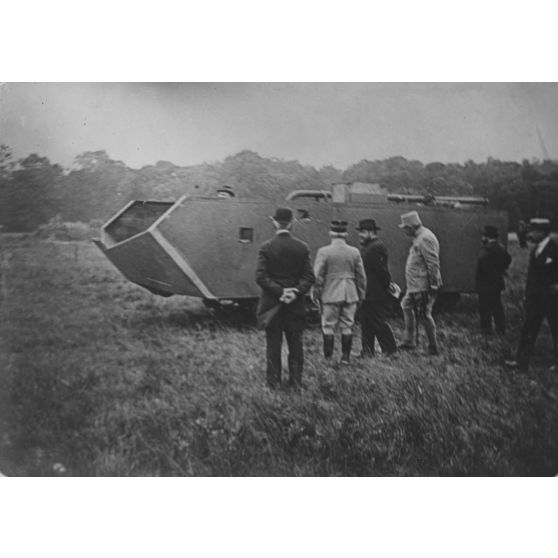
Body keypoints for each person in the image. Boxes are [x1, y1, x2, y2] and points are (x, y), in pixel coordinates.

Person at [255, 207, 315, 388]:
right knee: (296, 344)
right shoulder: (302, 247)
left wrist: (280, 292)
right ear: (291, 223)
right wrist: (295, 292)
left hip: (273, 304)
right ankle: (296, 382)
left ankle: (273, 383)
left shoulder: (266, 247)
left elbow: (261, 277)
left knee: (273, 345)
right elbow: (309, 277)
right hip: (295, 304)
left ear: (274, 222)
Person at [505, 218, 558, 373]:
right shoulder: (535, 250)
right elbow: (531, 278)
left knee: (556, 331)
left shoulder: (554, 250)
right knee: (528, 330)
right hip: (536, 299)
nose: (529, 234)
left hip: (553, 300)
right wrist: (527, 296)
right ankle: (521, 362)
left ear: (542, 232)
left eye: (533, 231)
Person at [313, 220, 366, 364]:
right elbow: (361, 277)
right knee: (347, 326)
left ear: (331, 234)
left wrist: (315, 294)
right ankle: (345, 358)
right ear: (345, 234)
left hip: (330, 293)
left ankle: (328, 358)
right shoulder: (354, 252)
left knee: (328, 326)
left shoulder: (324, 251)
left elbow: (317, 276)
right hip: (350, 293)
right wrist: (361, 295)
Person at [398, 210, 442, 355]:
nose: (404, 231)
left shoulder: (425, 238)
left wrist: (433, 285)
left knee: (424, 314)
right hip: (415, 286)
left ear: (411, 227)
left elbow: (433, 263)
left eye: (405, 228)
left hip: (423, 286)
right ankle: (409, 341)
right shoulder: (420, 237)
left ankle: (433, 347)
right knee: (406, 306)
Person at [356, 218, 397, 358]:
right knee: (366, 322)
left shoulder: (376, 247)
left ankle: (391, 350)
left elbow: (382, 271)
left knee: (377, 322)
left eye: (362, 232)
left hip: (375, 293)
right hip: (369, 292)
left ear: (371, 232)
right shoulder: (371, 246)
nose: (360, 235)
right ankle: (367, 351)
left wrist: (388, 286)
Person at [475, 225, 512, 335]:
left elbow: (482, 264)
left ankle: (486, 331)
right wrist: (501, 270)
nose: (482, 238)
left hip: (486, 284)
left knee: (484, 308)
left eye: (483, 236)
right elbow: (508, 259)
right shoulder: (501, 248)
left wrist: (486, 275)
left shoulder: (487, 249)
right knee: (497, 307)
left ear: (487, 237)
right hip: (497, 283)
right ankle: (501, 330)